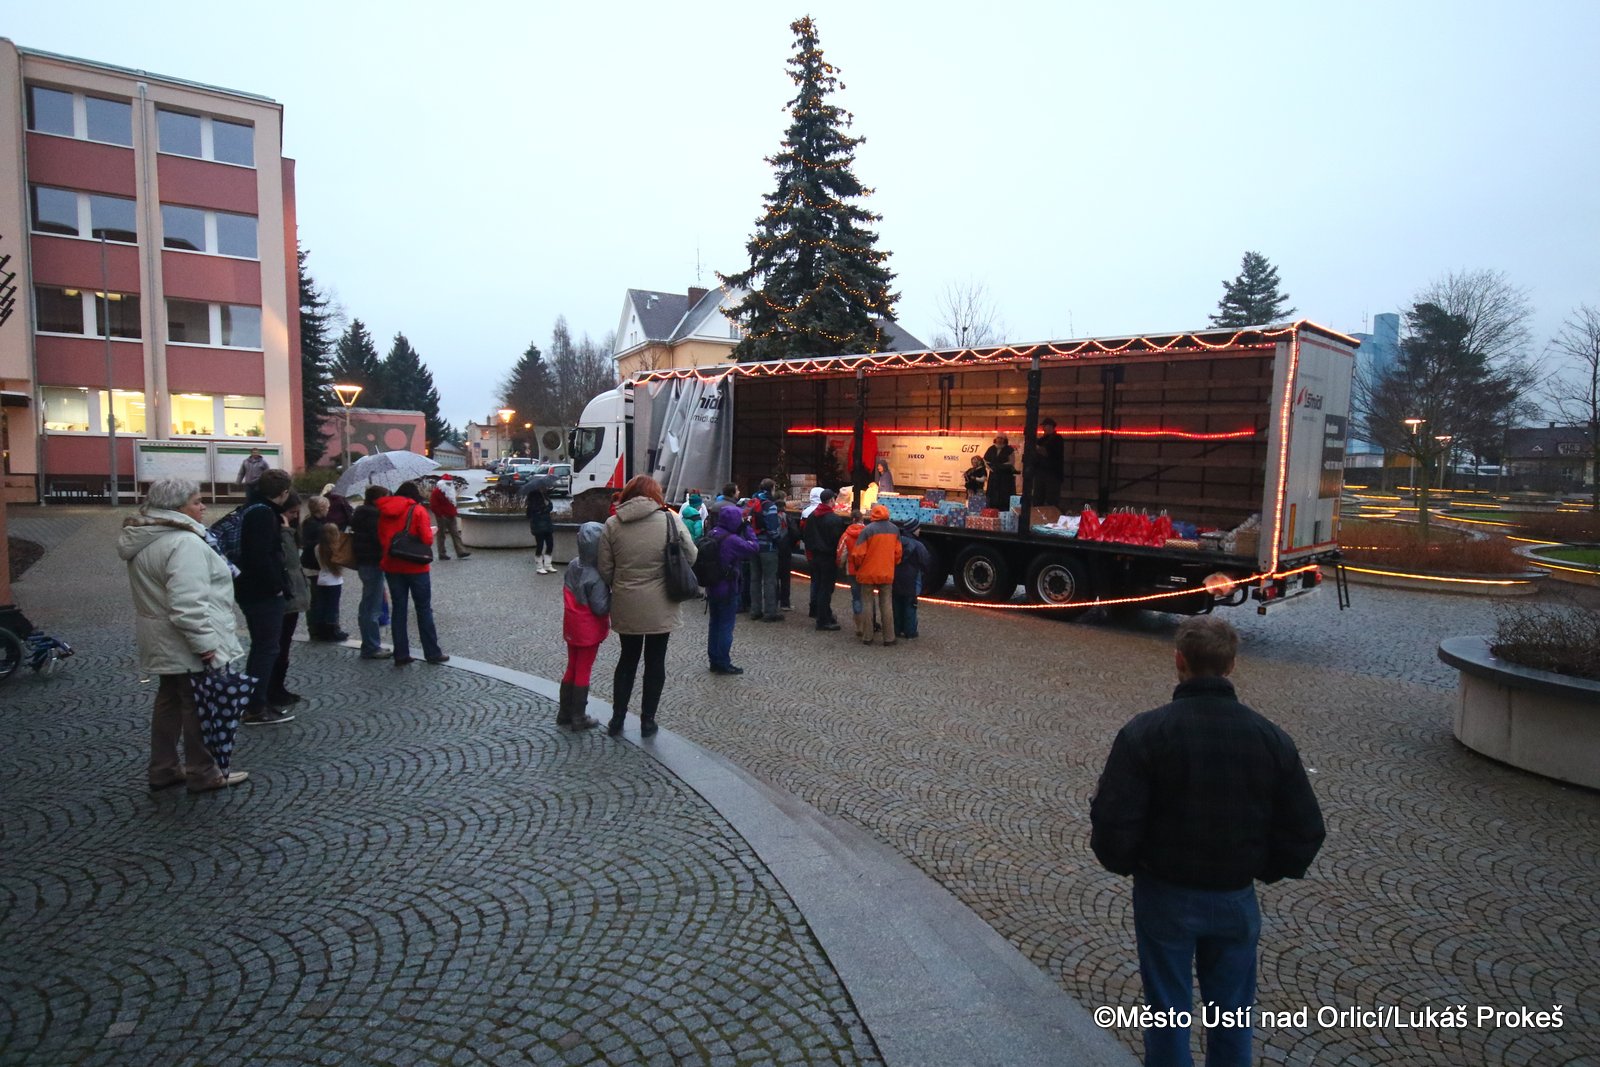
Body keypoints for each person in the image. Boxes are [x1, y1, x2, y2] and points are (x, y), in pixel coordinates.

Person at [1090, 617, 1326, 1067]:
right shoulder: (1270, 738)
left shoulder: (1146, 733)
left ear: (1179, 661)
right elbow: (1305, 828)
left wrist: (1130, 862)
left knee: (1167, 1011)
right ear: (1231, 665)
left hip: (1165, 892)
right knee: (1233, 1015)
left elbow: (1114, 819)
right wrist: (1263, 867)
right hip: (1235, 895)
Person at [118, 478, 249, 793]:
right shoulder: (184, 542)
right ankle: (203, 772)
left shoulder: (148, 536)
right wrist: (205, 644)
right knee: (199, 706)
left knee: (170, 701)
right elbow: (187, 604)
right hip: (184, 639)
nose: (203, 506)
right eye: (196, 501)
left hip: (161, 636)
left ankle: (163, 768)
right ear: (177, 507)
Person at [597, 475, 696, 738]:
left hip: (626, 601)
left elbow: (605, 568)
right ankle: (648, 721)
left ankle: (617, 718)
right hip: (662, 601)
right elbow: (691, 554)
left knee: (627, 659)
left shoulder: (612, 523)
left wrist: (622, 583)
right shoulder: (670, 520)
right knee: (655, 661)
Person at [233, 467, 295, 726]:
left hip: (250, 589)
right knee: (266, 648)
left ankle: (258, 701)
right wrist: (276, 586)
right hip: (261, 592)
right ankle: (256, 706)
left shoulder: (251, 508)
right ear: (284, 492)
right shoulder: (263, 514)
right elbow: (260, 556)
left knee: (263, 647)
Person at [377, 481, 449, 667]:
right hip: (416, 567)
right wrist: (430, 533)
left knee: (398, 609)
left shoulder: (383, 510)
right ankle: (432, 653)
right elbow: (426, 539)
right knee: (423, 609)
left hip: (392, 565)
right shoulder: (417, 510)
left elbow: (382, 537)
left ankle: (401, 654)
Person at [558, 521, 608, 731]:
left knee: (572, 666)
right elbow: (600, 608)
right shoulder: (596, 575)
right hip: (589, 629)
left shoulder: (573, 565)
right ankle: (578, 716)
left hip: (572, 624)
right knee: (583, 669)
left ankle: (564, 712)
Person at [264, 493, 310, 710]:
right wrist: (286, 532)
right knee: (279, 645)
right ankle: (272, 689)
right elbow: (290, 560)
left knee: (284, 645)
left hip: (292, 593)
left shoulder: (289, 530)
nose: (294, 517)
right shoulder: (280, 532)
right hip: (286, 593)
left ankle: (278, 687)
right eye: (291, 513)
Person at [705, 504, 759, 675]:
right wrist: (748, 528)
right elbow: (753, 547)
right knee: (726, 626)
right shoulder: (732, 540)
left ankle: (714, 659)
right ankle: (723, 662)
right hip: (727, 587)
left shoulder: (713, 533)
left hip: (712, 585)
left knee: (714, 623)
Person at [850, 503, 902, 646]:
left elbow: (858, 554)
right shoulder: (894, 529)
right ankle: (889, 637)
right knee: (886, 604)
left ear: (873, 515)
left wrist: (858, 566)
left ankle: (867, 636)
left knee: (867, 603)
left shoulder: (867, 530)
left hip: (868, 572)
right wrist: (892, 564)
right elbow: (898, 553)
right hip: (886, 572)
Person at [350, 485, 391, 659]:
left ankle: (370, 644)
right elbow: (380, 539)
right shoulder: (374, 516)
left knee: (369, 604)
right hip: (373, 562)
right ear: (377, 499)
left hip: (364, 562)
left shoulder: (361, 513)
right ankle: (371, 646)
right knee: (372, 607)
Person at [802, 488, 845, 631]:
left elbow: (806, 536)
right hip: (828, 557)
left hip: (815, 556)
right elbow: (837, 541)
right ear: (831, 500)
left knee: (819, 585)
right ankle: (823, 620)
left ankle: (825, 614)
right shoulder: (834, 519)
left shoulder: (812, 516)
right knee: (826, 589)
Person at [748, 478, 783, 622]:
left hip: (753, 544)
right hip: (768, 547)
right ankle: (770, 612)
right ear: (772, 488)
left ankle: (755, 610)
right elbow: (773, 529)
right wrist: (778, 539)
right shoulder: (770, 505)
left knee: (755, 579)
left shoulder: (752, 502)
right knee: (769, 580)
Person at [892, 517, 931, 639]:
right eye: (918, 528)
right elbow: (926, 562)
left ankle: (897, 629)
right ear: (913, 529)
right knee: (910, 605)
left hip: (896, 577)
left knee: (897, 604)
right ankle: (910, 631)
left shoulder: (897, 542)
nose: (920, 530)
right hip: (911, 579)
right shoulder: (918, 546)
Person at [314, 521, 348, 655]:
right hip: (333, 581)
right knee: (333, 607)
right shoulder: (335, 548)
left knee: (322, 605)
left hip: (321, 579)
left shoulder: (318, 547)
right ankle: (332, 630)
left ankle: (321, 630)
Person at [430, 476, 472, 561]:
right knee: (441, 535)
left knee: (455, 534)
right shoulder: (437, 492)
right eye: (447, 483)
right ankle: (442, 553)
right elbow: (433, 505)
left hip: (451, 515)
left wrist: (454, 512)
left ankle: (461, 551)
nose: (449, 485)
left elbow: (453, 503)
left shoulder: (450, 491)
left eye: (450, 483)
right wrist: (440, 514)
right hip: (442, 516)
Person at [1030, 417, 1065, 510]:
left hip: (1052, 474)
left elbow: (1049, 453)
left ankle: (1052, 517)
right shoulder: (1041, 440)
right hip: (1040, 473)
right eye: (1044, 426)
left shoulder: (1057, 439)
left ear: (1052, 427)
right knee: (1037, 499)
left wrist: (1037, 448)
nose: (1045, 428)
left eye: (1047, 426)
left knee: (1052, 500)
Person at [772, 489, 795, 612]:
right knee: (785, 577)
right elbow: (795, 532)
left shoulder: (770, 515)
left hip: (774, 548)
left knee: (774, 576)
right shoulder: (787, 517)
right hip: (785, 549)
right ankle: (785, 603)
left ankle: (773, 601)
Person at [984, 434, 1017, 511]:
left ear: (1005, 440)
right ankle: (992, 509)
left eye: (1001, 438)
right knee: (992, 494)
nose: (999, 440)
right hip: (994, 475)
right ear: (995, 439)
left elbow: (1011, 462)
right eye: (998, 438)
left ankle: (1004, 510)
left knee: (1004, 494)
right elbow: (985, 460)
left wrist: (999, 466)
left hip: (1005, 476)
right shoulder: (991, 449)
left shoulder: (1009, 449)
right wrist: (990, 467)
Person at [527, 486, 555, 574]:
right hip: (538, 527)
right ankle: (539, 566)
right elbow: (530, 514)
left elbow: (549, 508)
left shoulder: (545, 497)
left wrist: (548, 501)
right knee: (540, 545)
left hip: (547, 525)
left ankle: (548, 565)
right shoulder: (533, 499)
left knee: (550, 544)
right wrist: (542, 510)